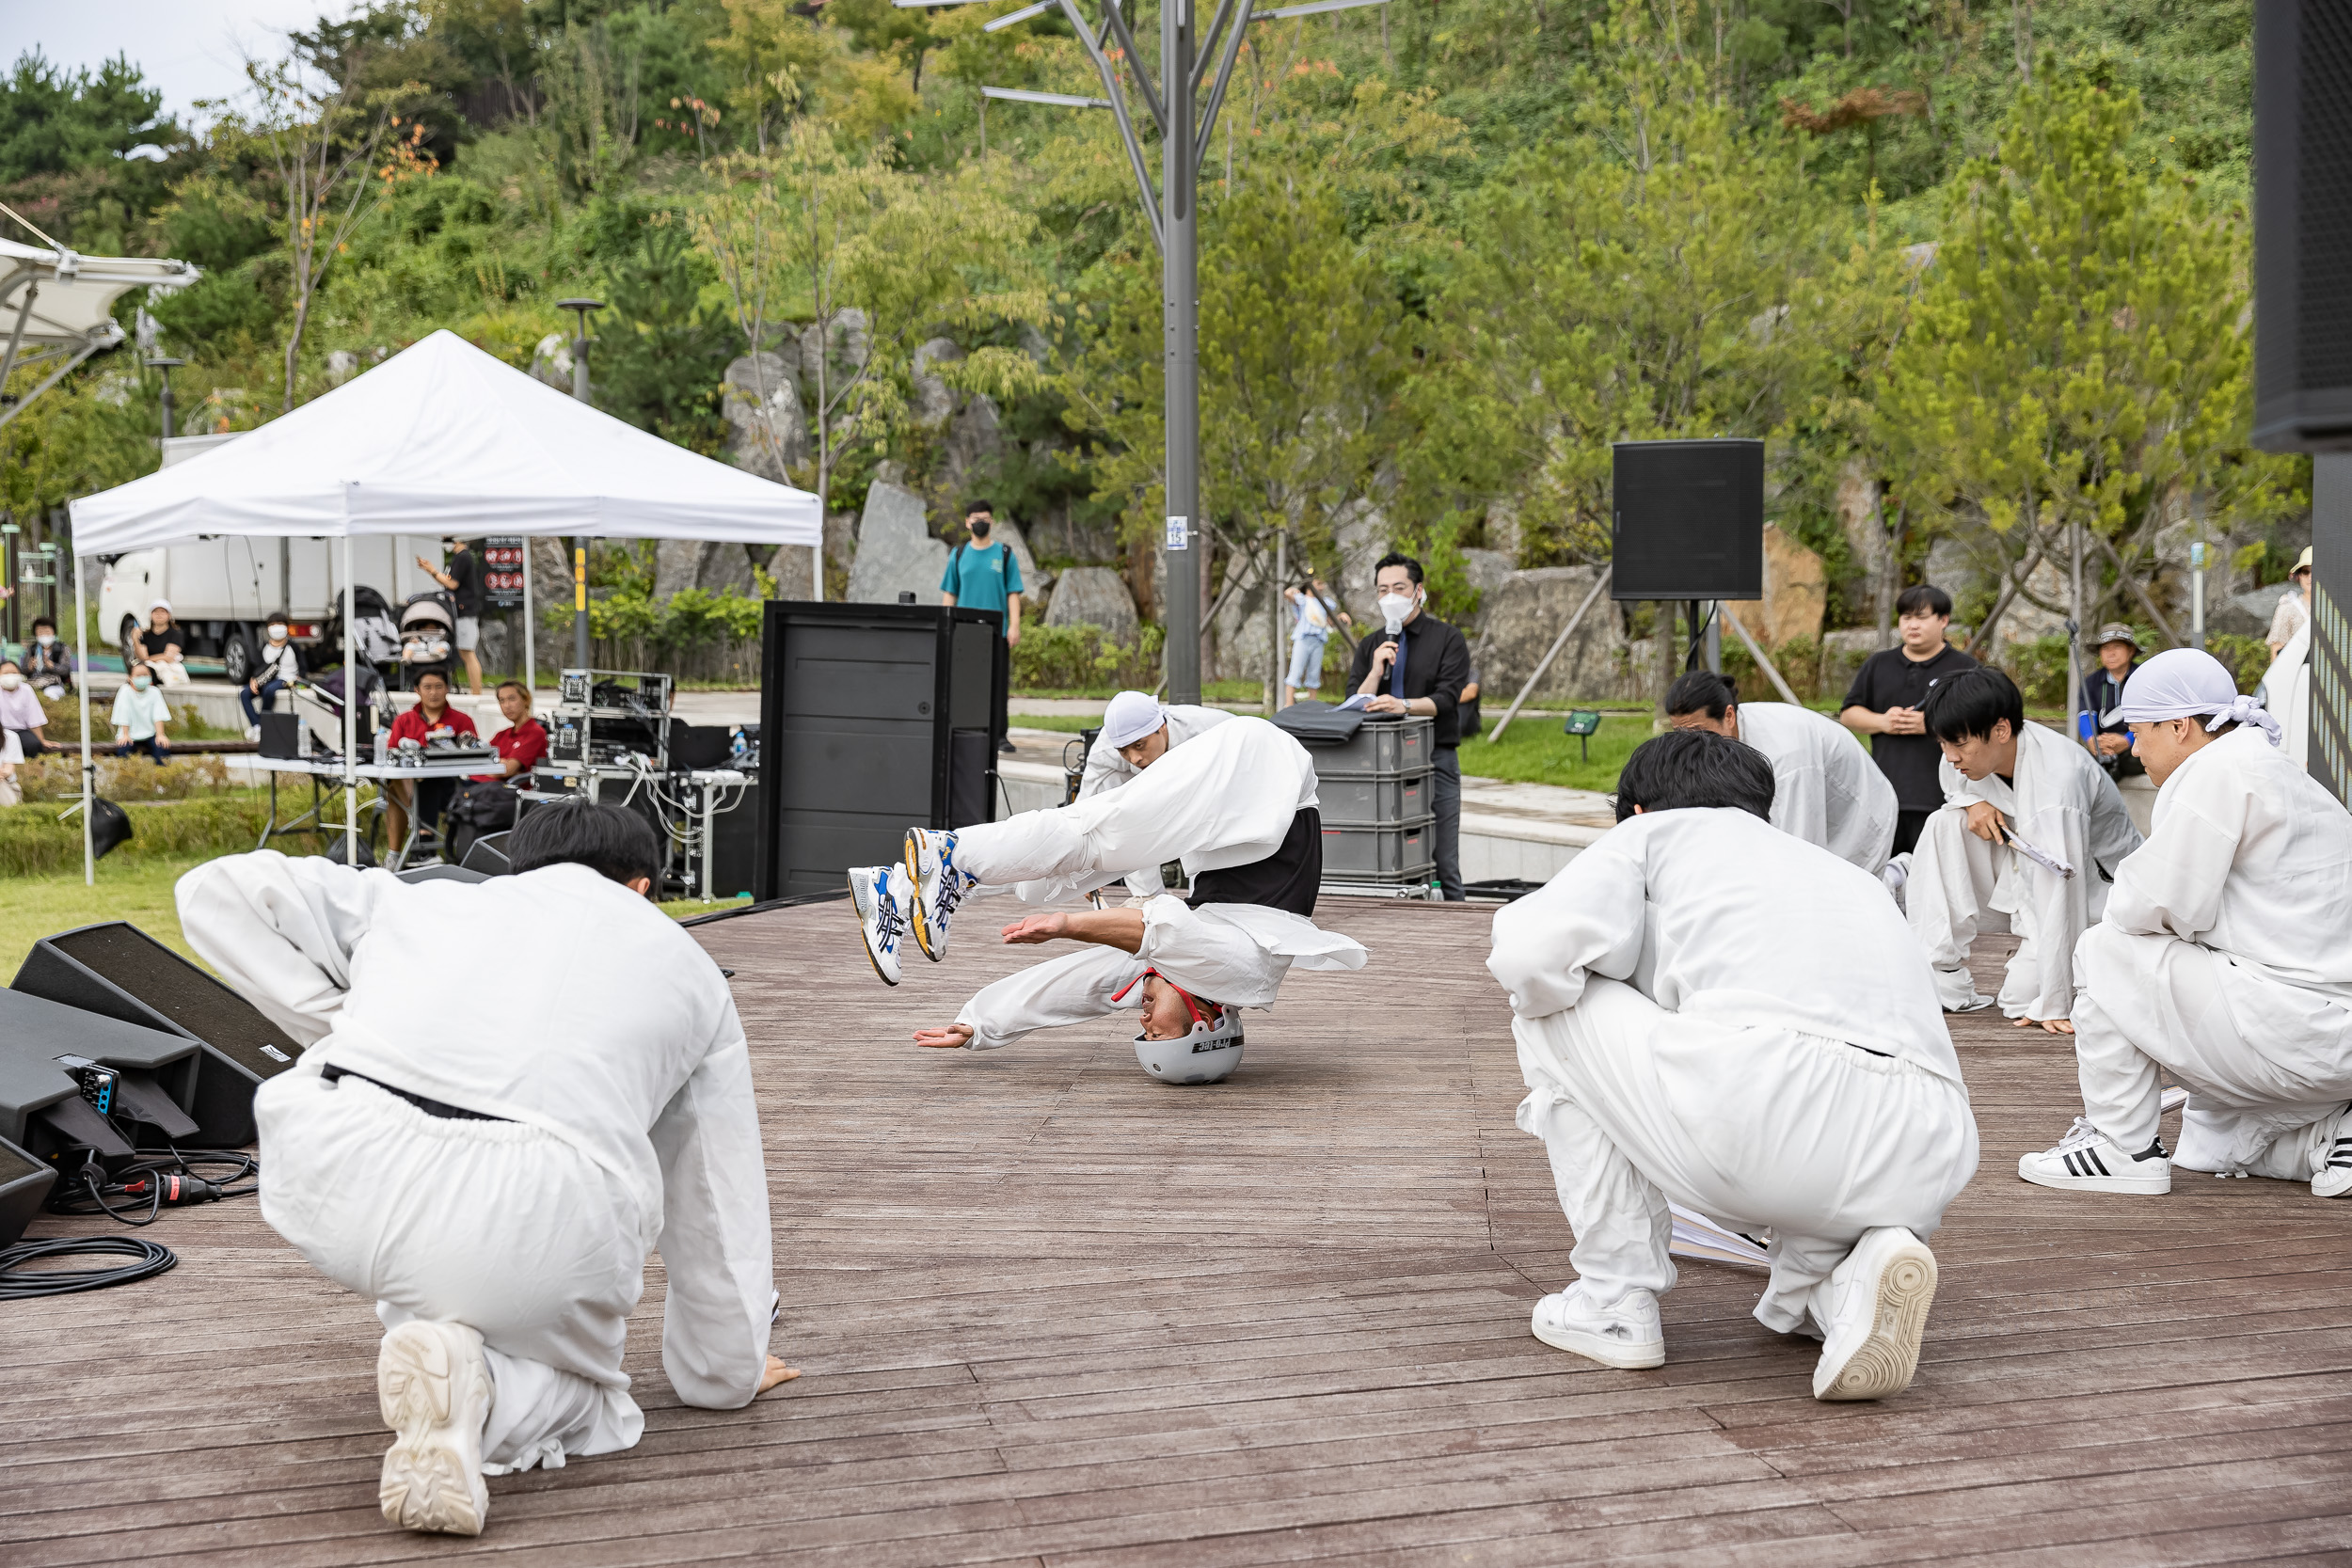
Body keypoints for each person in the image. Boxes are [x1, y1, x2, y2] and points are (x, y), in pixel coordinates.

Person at [173, 803, 796, 1536]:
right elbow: (716, 1203)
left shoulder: (426, 898)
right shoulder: (688, 969)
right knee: (590, 1395)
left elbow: (214, 890)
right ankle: (490, 1393)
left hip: (337, 1161)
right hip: (544, 1211)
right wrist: (726, 1369)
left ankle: (438, 1360)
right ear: (641, 889)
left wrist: (339, 1018)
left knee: (442, 1265)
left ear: (513, 867)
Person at [1492, 729, 1978, 1399]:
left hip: (1767, 1116)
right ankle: (1838, 1292)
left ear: (1637, 808)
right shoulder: (1841, 874)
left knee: (1549, 1013)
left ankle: (1613, 1297)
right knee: (1797, 1070)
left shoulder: (1650, 833)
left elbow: (1528, 955)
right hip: (1932, 1146)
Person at [2018, 648, 2352, 1199]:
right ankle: (2333, 1135)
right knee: (2208, 1141)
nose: (2133, 744)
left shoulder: (2216, 773)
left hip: (2298, 1031)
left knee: (2102, 949)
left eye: (2137, 729)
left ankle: (2120, 1146)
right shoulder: (2273, 766)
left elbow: (2147, 905)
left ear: (2179, 727)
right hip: (2319, 1029)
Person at [850, 714, 1334, 986]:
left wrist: (981, 1024)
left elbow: (1092, 987)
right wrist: (1072, 923)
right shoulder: (1234, 971)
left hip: (1244, 808)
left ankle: (895, 886)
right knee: (1091, 837)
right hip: (1262, 779)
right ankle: (948, 854)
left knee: (1040, 884)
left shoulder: (1205, 973)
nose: (1146, 1022)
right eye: (1157, 1035)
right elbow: (1152, 919)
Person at [1902, 667, 2141, 1031]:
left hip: (2095, 901)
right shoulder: (1964, 755)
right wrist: (1970, 802)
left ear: (2000, 730)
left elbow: (2064, 891)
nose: (1950, 757)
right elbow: (1953, 787)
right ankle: (1939, 970)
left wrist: (2057, 1001)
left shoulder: (2057, 784)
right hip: (2023, 875)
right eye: (1942, 744)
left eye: (1959, 745)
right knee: (1944, 822)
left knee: (2023, 1000)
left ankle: (2068, 972)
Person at [1665, 670, 1898, 874]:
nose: (1688, 743)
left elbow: (1800, 847)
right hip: (1811, 809)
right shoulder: (1721, 736)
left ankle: (1898, 876)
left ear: (1728, 716)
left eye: (1696, 731)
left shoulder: (1787, 756)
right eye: (1679, 732)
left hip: (1859, 818)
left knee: (1839, 897)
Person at [1346, 553, 1472, 900]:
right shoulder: (1372, 644)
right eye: (1383, 589)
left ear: (1418, 591)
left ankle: (1455, 923)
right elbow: (1353, 702)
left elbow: (1447, 698)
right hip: (1380, 765)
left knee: (1443, 857)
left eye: (1399, 588)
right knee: (1384, 853)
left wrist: (1403, 706)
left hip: (1434, 758)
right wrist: (1375, 671)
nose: (1391, 597)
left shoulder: (1447, 638)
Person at [1838, 585, 1979, 855]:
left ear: (1943, 620)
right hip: (1884, 798)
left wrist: (1932, 725)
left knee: (1932, 882)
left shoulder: (1965, 668)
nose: (1912, 625)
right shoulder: (1879, 664)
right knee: (1883, 881)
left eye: (1922, 617)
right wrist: (1882, 722)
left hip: (1943, 800)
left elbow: (1981, 723)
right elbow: (1849, 713)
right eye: (1906, 617)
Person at [940, 500, 1024, 754]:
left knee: (997, 686)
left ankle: (999, 736)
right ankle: (966, 731)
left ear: (992, 521)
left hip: (996, 631)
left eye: (985, 518)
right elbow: (950, 593)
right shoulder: (959, 555)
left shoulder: (1004, 554)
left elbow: (1013, 593)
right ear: (967, 522)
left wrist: (1015, 625)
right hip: (964, 631)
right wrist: (946, 625)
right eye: (975, 518)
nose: (980, 522)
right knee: (965, 684)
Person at [1073, 689, 1232, 801]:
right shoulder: (1106, 748)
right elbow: (1086, 802)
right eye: (1123, 750)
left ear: (1162, 726)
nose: (1134, 759)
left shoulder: (1211, 731)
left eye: (1139, 745)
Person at [383, 669, 479, 854]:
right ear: (417, 690)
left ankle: (422, 847)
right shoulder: (404, 720)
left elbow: (473, 757)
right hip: (407, 789)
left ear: (447, 689)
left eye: (438, 687)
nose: (433, 693)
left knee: (429, 781)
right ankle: (396, 853)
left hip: (450, 788)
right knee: (395, 786)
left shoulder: (462, 720)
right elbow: (392, 755)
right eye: (427, 687)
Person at [417, 538, 486, 695]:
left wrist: (431, 570)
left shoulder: (463, 557)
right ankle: (475, 691)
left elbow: (452, 583)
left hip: (465, 611)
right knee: (464, 652)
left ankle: (477, 692)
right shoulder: (460, 558)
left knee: (468, 651)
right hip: (461, 611)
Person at [2081, 624, 2142, 779]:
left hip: (2137, 742)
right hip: (2104, 745)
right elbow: (2085, 714)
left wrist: (2127, 740)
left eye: (2117, 647)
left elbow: (2151, 716)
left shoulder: (2144, 678)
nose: (2111, 653)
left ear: (2131, 651)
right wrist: (2092, 741)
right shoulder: (2091, 683)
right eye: (2105, 648)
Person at [1281, 578, 1345, 707]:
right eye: (1318, 583)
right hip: (1303, 638)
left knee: (1314, 672)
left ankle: (1312, 704)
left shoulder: (1324, 602)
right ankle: (1288, 704)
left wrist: (1340, 617)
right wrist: (1295, 590)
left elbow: (1327, 622)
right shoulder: (1303, 600)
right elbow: (1288, 594)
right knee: (1296, 670)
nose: (1321, 586)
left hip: (1318, 640)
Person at [241, 613, 304, 735]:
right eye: (273, 624)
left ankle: (264, 721)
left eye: (280, 624)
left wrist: (299, 679)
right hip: (268, 679)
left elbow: (303, 667)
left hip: (286, 678)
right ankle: (257, 724)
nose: (277, 628)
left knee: (269, 691)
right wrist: (254, 680)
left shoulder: (293, 647)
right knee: (245, 693)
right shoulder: (265, 647)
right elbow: (259, 668)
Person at [110, 661, 174, 763]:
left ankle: (162, 776)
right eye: (139, 675)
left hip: (150, 734)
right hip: (130, 734)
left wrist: (160, 735)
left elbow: (158, 715)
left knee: (162, 748)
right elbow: (124, 713)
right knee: (124, 750)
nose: (142, 677)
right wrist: (125, 735)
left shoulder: (155, 692)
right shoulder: (125, 691)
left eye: (145, 675)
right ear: (130, 678)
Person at [2265, 546, 2312, 658]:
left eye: (2317, 571)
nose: (2311, 577)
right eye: (2306, 572)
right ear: (2299, 575)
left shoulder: (2338, 609)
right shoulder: (2287, 608)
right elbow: (2276, 651)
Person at [0, 657, 48, 758]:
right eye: (6, 673)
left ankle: (32, 772)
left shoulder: (26, 690)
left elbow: (34, 717)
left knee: (33, 745)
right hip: (1, 731)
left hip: (20, 731)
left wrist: (42, 740)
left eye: (14, 673)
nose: (10, 676)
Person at [137, 600, 192, 687]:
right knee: (138, 671)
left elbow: (168, 657)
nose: (159, 614)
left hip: (166, 668)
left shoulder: (176, 633)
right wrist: (135, 638)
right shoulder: (145, 635)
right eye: (155, 611)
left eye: (162, 611)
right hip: (149, 667)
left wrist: (148, 659)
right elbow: (142, 656)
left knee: (148, 670)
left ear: (169, 615)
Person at [24, 617, 73, 698]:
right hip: (34, 683)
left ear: (54, 632)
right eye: (40, 632)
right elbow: (23, 670)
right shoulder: (32, 649)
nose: (44, 635)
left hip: (56, 685)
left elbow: (66, 670)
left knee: (50, 694)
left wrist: (52, 666)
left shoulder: (61, 648)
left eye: (47, 632)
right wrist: (29, 667)